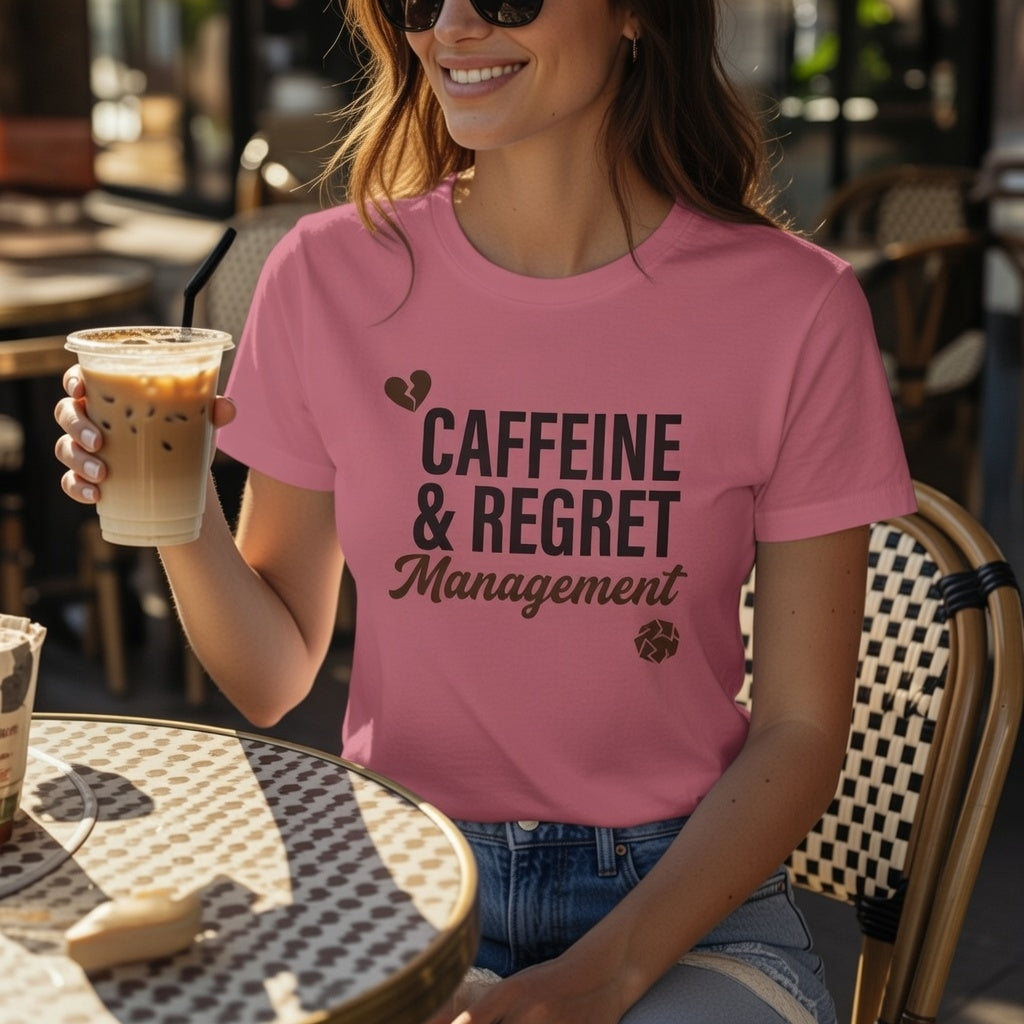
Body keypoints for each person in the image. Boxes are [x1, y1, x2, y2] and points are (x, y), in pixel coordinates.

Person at [55, 0, 917, 1020]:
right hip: (403, 872)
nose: (454, 25)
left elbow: (803, 727)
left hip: (684, 902)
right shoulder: (325, 275)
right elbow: (272, 677)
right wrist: (178, 495)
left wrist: (608, 972)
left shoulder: (793, 308)